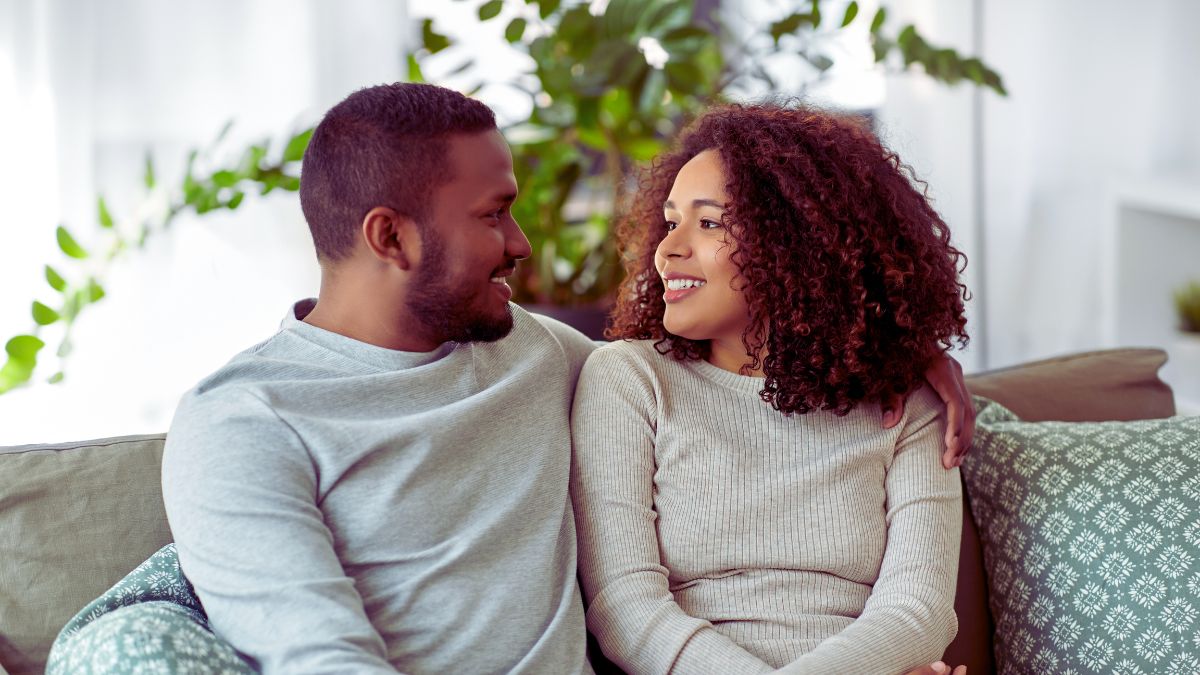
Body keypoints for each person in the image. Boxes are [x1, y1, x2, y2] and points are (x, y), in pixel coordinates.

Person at [156, 83, 972, 673]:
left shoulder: (536, 352)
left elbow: (726, 380)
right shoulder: (241, 423)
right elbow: (321, 660)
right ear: (390, 237)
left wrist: (908, 351)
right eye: (492, 214)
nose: (522, 243)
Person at [571, 102, 970, 674]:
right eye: (671, 220)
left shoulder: (909, 406)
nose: (667, 250)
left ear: (802, 244)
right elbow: (625, 609)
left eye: (709, 223)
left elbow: (917, 613)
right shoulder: (629, 381)